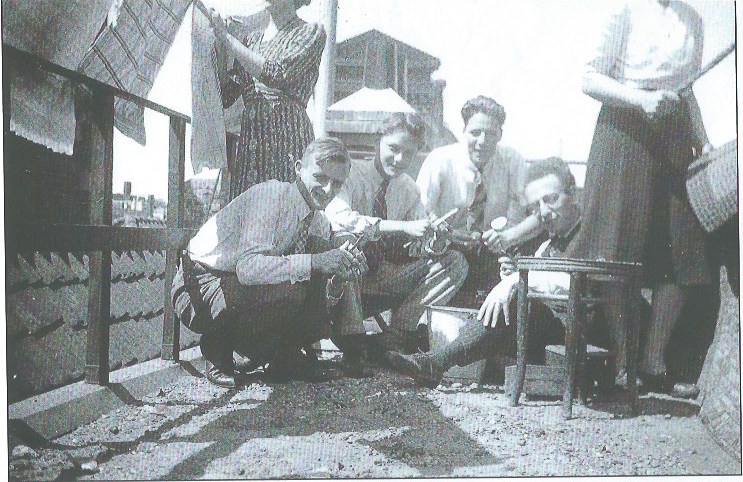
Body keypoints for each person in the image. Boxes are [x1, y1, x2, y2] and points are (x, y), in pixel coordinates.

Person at [568, 0, 713, 394]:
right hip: (624, 131)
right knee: (617, 250)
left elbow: (688, 91)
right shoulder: (621, 9)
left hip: (674, 135)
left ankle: (653, 358)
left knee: (683, 246)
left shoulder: (693, 20)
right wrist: (640, 99)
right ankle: (624, 360)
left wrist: (704, 141)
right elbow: (589, 78)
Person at [171, 138, 368, 388]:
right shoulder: (270, 196)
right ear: (298, 168)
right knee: (296, 282)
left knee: (312, 265)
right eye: (320, 177)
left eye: (337, 183)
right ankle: (218, 346)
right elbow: (248, 269)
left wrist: (339, 272)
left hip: (240, 287)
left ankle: (285, 356)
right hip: (200, 285)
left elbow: (316, 286)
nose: (328, 190)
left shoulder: (317, 219)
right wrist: (317, 262)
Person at [387, 158, 594, 388]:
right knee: (498, 300)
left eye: (551, 199)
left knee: (511, 301)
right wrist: (513, 274)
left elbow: (570, 280)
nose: (544, 212)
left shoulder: (588, 234)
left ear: (573, 194)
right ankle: (433, 358)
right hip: (542, 330)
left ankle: (436, 362)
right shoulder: (549, 243)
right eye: (536, 206)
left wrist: (517, 280)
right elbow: (541, 280)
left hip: (575, 332)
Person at [325, 113, 469, 354]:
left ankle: (398, 333)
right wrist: (401, 226)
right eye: (393, 148)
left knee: (455, 262)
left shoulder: (409, 189)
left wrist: (435, 241)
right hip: (342, 282)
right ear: (377, 142)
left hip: (383, 279)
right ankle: (353, 340)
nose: (400, 159)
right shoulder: (350, 174)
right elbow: (340, 219)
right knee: (345, 241)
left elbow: (417, 248)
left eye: (409, 153)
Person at [416, 96, 544, 304]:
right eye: (475, 133)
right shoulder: (440, 160)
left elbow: (538, 212)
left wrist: (509, 236)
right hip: (447, 249)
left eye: (491, 134)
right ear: (463, 131)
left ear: (500, 134)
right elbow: (420, 212)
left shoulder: (513, 160)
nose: (482, 142)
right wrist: (442, 229)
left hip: (494, 250)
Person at [206, 0, 326, 200]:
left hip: (286, 137)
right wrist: (220, 43)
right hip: (251, 142)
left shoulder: (311, 32)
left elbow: (276, 73)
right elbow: (227, 96)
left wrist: (227, 38)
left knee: (283, 208)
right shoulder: (252, 41)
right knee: (248, 211)